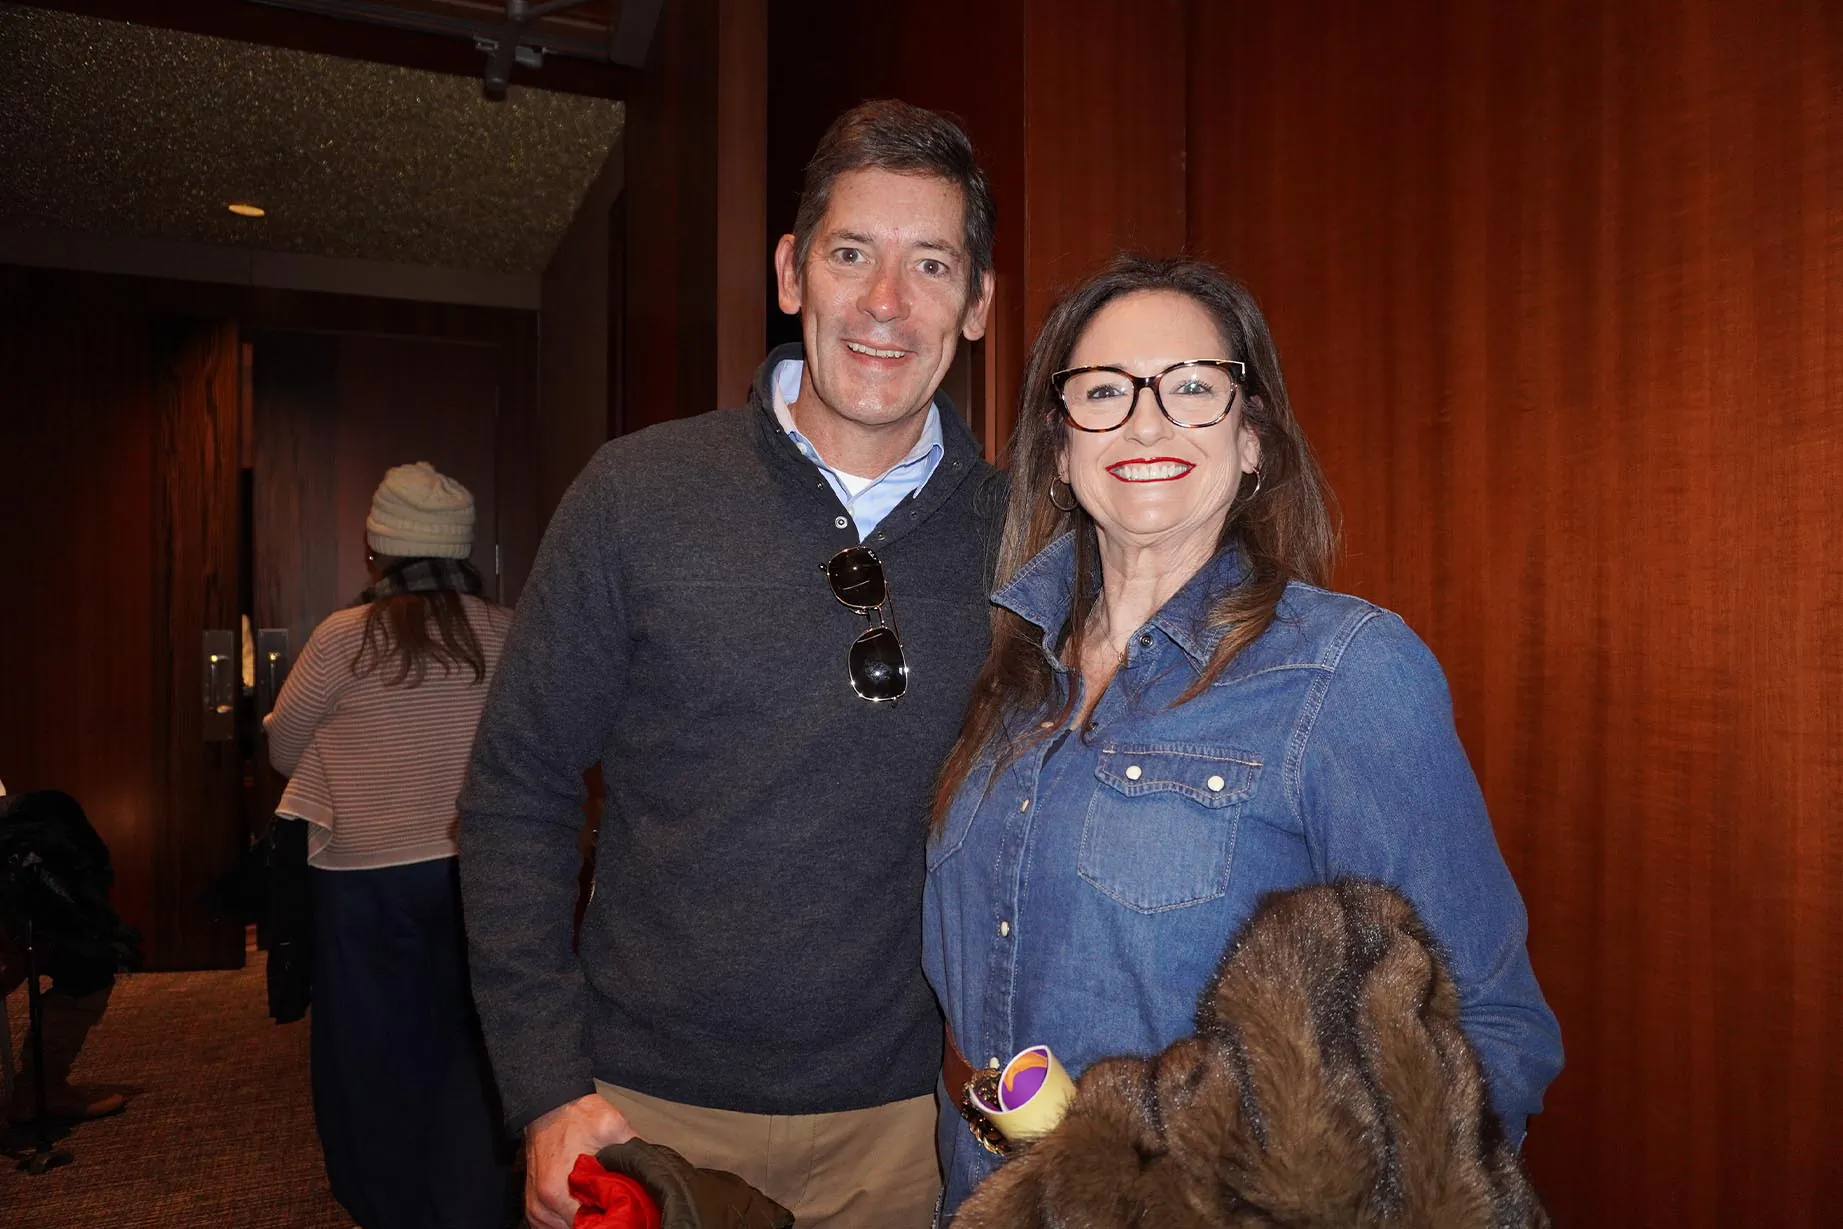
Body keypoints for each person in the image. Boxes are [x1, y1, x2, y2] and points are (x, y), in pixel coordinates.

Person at [922, 255, 1564, 1219]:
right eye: (1103, 390)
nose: (1145, 420)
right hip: (975, 1193)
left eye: (1190, 386)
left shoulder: (1346, 671)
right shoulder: (1010, 672)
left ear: (1252, 438)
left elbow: (1494, 1031)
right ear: (1057, 449)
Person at [458, 100, 1002, 1229]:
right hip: (645, 1110)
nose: (886, 303)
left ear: (981, 303)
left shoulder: (1026, 536)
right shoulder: (634, 495)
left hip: (909, 1125)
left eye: (932, 264)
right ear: (791, 271)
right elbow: (516, 794)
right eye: (852, 253)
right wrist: (546, 1084)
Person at [265, 461, 517, 1229]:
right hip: (481, 872)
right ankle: (477, 1202)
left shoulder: (344, 637)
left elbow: (282, 750)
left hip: (364, 881)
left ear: (378, 549)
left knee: (373, 1056)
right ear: (461, 548)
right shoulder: (505, 631)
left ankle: (393, 1207)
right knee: (477, 1045)